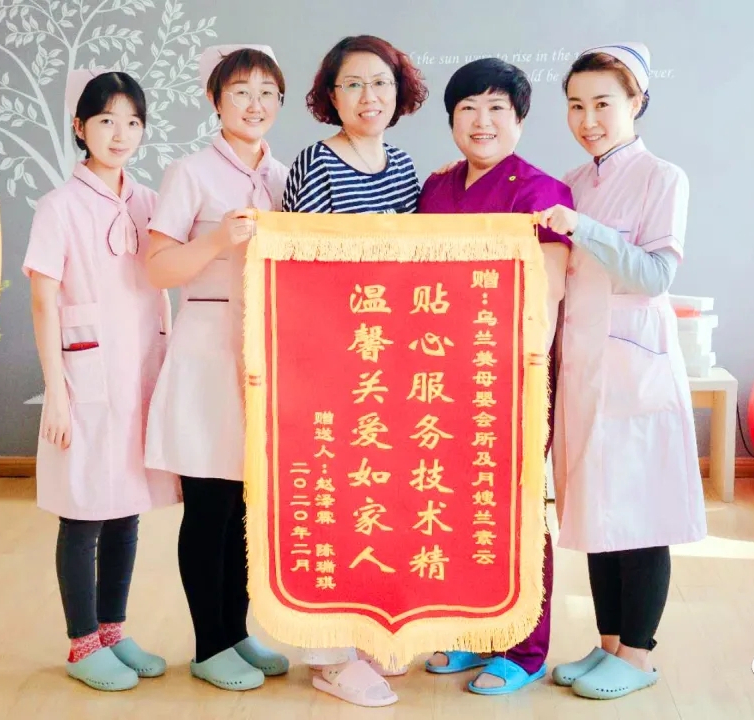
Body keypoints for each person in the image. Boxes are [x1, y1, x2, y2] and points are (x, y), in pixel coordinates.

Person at [535, 42, 707, 700]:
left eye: (603, 104)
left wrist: (585, 229)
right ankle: (607, 644)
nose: (588, 120)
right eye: (575, 105)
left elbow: (655, 274)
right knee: (596, 507)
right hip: (581, 367)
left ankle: (636, 655)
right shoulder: (573, 180)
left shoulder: (664, 177)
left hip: (635, 368)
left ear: (637, 102)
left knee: (640, 512)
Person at [416, 57, 573, 696]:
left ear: (520, 119)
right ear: (452, 120)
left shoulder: (541, 193)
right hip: (441, 374)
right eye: (467, 109)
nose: (481, 122)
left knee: (516, 507)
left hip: (512, 377)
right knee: (456, 502)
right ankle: (475, 629)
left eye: (496, 109)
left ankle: (525, 647)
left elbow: (548, 294)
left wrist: (522, 379)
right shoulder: (437, 189)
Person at [281, 34, 427, 708]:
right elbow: (304, 266)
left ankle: (366, 632)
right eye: (354, 84)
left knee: (375, 500)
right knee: (329, 502)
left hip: (388, 358)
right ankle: (328, 656)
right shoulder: (316, 163)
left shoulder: (403, 166)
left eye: (381, 83)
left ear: (399, 93)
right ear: (330, 96)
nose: (370, 97)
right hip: (329, 355)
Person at [24, 69, 180, 692]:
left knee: (126, 508)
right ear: (80, 127)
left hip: (138, 370)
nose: (121, 134)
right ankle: (82, 642)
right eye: (107, 120)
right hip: (84, 376)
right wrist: (57, 394)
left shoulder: (149, 203)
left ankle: (114, 631)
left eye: (133, 122)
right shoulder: (58, 207)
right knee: (83, 509)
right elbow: (43, 301)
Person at [142, 45, 291, 692]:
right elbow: (157, 269)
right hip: (206, 352)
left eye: (267, 93)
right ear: (215, 100)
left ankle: (236, 631)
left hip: (268, 353)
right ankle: (208, 645)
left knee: (249, 506)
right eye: (240, 92)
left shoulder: (285, 175)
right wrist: (217, 239)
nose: (255, 105)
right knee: (209, 504)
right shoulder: (190, 173)